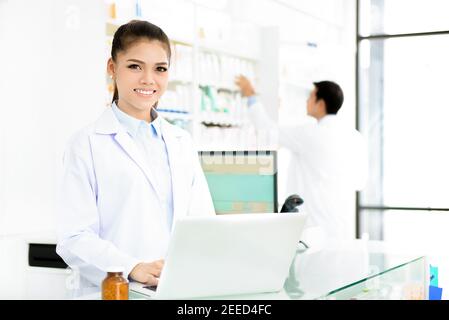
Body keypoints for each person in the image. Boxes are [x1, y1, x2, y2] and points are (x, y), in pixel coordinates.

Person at [56, 20, 215, 297]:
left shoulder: (181, 142)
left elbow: (203, 224)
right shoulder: (86, 144)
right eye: (134, 66)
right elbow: (73, 238)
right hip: (116, 290)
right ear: (111, 68)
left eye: (160, 69)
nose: (148, 80)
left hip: (176, 289)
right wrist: (131, 267)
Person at [235, 76, 368, 242]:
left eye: (311, 96)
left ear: (320, 104)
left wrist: (250, 95)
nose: (307, 101)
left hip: (314, 230)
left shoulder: (310, 135)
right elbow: (359, 183)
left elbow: (266, 128)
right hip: (342, 228)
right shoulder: (355, 137)